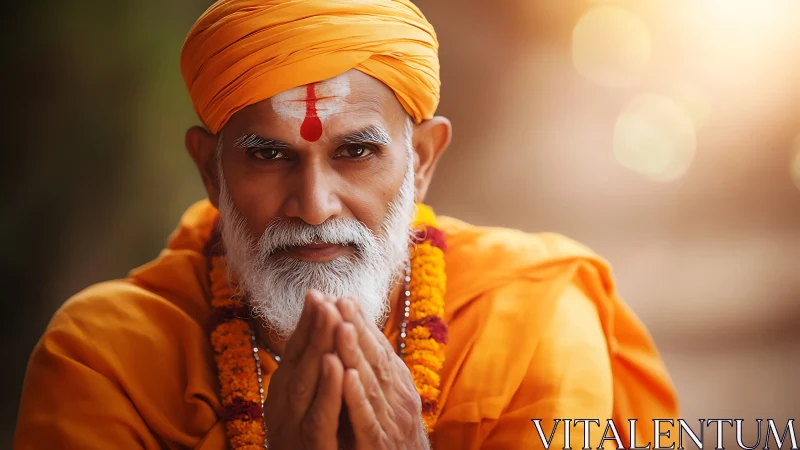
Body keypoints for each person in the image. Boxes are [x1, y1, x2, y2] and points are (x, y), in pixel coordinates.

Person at [14, 0, 679, 449]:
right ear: (211, 172)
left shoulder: (533, 313)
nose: (314, 204)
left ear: (420, 162)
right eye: (268, 155)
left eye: (355, 152)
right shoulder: (105, 359)